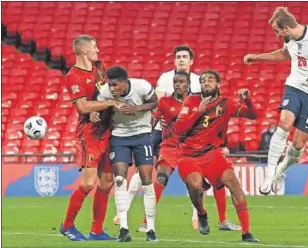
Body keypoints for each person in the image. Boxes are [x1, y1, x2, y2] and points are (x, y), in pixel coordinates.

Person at [126, 45, 240, 232]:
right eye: (176, 83)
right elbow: (154, 116)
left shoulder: (197, 97)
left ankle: (221, 220)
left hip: (193, 145)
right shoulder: (165, 98)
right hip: (169, 144)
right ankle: (146, 220)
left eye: (182, 83)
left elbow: (214, 113)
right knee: (159, 176)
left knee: (216, 179)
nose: (178, 85)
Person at [243, 6, 308, 195]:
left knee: (299, 143)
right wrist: (257, 58)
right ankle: (269, 174)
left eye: (277, 31)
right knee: (284, 123)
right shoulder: (289, 40)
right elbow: (285, 54)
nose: (276, 35)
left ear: (286, 28)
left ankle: (281, 172)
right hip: (294, 86)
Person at [175, 70, 259, 242]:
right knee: (196, 186)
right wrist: (198, 111)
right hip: (188, 156)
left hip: (213, 154)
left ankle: (246, 233)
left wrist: (247, 100)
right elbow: (179, 129)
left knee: (234, 183)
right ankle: (201, 213)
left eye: (210, 80)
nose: (206, 83)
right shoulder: (191, 101)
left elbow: (253, 116)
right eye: (203, 80)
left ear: (218, 84)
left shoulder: (225, 104)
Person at [60, 35, 123, 241]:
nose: (98, 50)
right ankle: (67, 225)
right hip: (90, 134)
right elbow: (82, 106)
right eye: (94, 47)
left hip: (107, 131)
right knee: (88, 184)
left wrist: (99, 108)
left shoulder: (100, 69)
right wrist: (104, 106)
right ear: (84, 51)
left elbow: (99, 98)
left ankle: (96, 231)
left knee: (106, 182)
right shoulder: (74, 76)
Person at [94, 65, 158, 242]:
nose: (112, 89)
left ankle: (151, 229)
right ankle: (123, 229)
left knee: (146, 181)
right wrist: (95, 114)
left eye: (115, 85)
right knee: (120, 180)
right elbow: (99, 108)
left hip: (143, 135)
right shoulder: (106, 91)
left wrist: (136, 109)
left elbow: (155, 102)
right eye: (110, 85)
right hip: (120, 136)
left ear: (125, 82)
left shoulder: (141, 86)